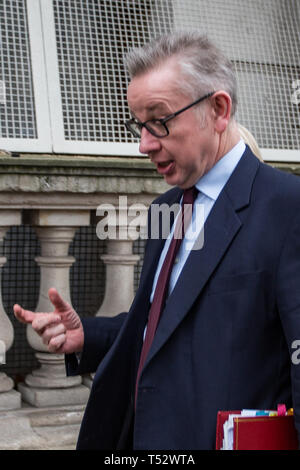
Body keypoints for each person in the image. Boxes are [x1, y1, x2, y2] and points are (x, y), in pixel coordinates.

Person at [14, 31, 300, 450]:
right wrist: (86, 335)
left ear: (218, 109)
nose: (145, 144)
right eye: (139, 125)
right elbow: (167, 328)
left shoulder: (287, 208)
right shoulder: (164, 211)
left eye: (160, 121)